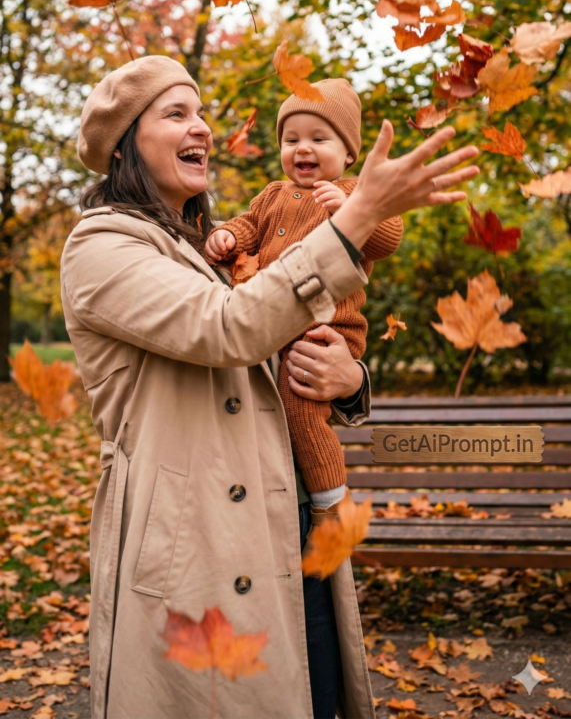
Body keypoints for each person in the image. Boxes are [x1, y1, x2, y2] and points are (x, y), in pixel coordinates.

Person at [60, 55, 479, 719]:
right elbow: (227, 329)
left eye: (200, 113)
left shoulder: (212, 248)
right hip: (195, 544)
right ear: (125, 146)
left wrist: (348, 380)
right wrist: (360, 210)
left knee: (308, 697)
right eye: (176, 114)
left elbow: (272, 353)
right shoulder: (102, 247)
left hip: (288, 518)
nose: (200, 127)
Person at [205, 78, 403, 527]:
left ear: (348, 152)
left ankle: (331, 505)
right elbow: (249, 224)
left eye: (318, 138)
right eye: (291, 139)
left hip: (325, 331)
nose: (302, 148)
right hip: (268, 327)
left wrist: (353, 212)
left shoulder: (354, 193)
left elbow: (388, 238)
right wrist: (228, 235)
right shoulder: (273, 194)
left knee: (302, 412)